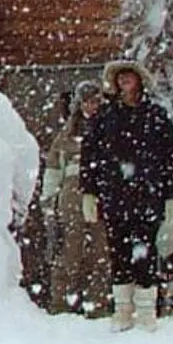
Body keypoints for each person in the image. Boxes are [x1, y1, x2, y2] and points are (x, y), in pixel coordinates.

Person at [80, 60, 173, 332]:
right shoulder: (104, 117)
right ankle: (122, 309)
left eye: (129, 77)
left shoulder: (156, 116)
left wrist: (172, 194)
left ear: (139, 81)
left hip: (148, 196)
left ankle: (147, 309)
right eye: (120, 78)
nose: (124, 82)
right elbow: (90, 156)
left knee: (145, 251)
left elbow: (171, 157)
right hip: (115, 197)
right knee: (119, 252)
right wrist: (89, 192)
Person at [34, 83, 114, 317]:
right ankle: (62, 305)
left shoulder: (111, 130)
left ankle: (97, 304)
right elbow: (53, 170)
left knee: (101, 250)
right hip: (70, 197)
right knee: (69, 249)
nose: (92, 106)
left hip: (101, 196)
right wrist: (48, 202)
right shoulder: (66, 136)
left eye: (96, 101)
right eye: (87, 101)